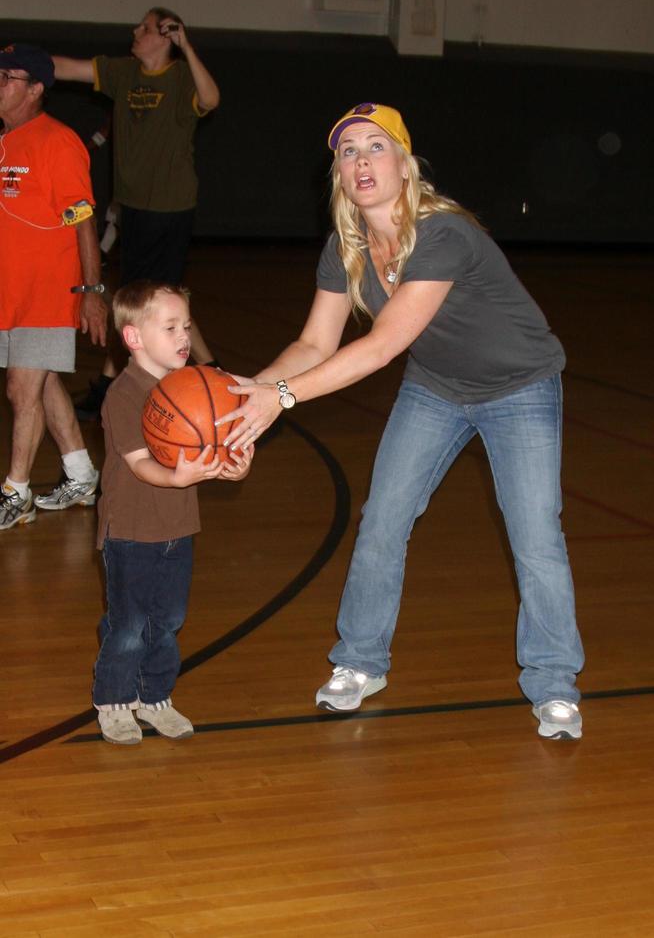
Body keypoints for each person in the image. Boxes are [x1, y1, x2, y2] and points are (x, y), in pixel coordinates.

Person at [218, 102, 585, 741]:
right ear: (337, 171)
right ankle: (359, 660)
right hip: (438, 386)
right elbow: (314, 344)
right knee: (383, 520)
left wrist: (280, 396)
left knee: (535, 535)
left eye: (375, 146)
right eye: (348, 151)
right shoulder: (347, 245)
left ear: (404, 165)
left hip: (518, 386)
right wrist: (253, 388)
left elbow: (383, 345)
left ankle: (554, 682)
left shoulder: (442, 233)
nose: (361, 160)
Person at [93, 280, 253, 746]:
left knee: (168, 621)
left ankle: (155, 695)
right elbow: (141, 463)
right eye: (170, 327)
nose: (184, 336)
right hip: (130, 530)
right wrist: (179, 478)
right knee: (128, 625)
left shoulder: (195, 388)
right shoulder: (124, 395)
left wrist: (235, 467)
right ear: (134, 338)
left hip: (178, 529)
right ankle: (115, 701)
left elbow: (219, 452)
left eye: (186, 325)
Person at [52, 7, 221, 418]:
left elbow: (212, 98)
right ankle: (114, 386)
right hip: (136, 208)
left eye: (145, 28)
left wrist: (187, 46)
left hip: (170, 208)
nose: (135, 31)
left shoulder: (182, 78)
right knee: (136, 298)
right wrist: (19, 60)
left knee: (156, 298)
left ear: (165, 36)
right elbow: (66, 67)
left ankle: (214, 377)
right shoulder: (123, 73)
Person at [0, 43, 107, 531]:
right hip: (11, 294)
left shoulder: (57, 142)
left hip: (48, 292)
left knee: (22, 388)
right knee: (43, 385)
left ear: (35, 88)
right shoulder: (6, 142)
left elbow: (83, 221)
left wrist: (91, 291)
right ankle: (82, 475)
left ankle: (15, 491)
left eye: (7, 77)